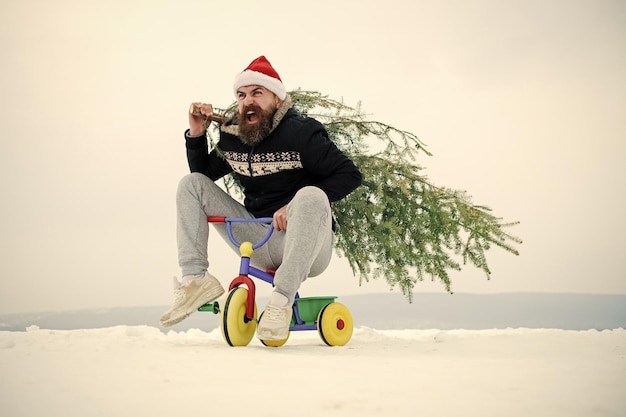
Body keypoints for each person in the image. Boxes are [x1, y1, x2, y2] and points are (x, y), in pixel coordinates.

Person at [160, 56, 362, 340]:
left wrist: (291, 207)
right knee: (191, 184)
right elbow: (202, 176)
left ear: (277, 99)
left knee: (311, 195)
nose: (248, 102)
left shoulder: (301, 132)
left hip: (307, 245)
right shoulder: (234, 137)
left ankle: (281, 301)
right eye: (242, 95)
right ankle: (195, 279)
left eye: (258, 93)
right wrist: (196, 133)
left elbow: (350, 175)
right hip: (257, 238)